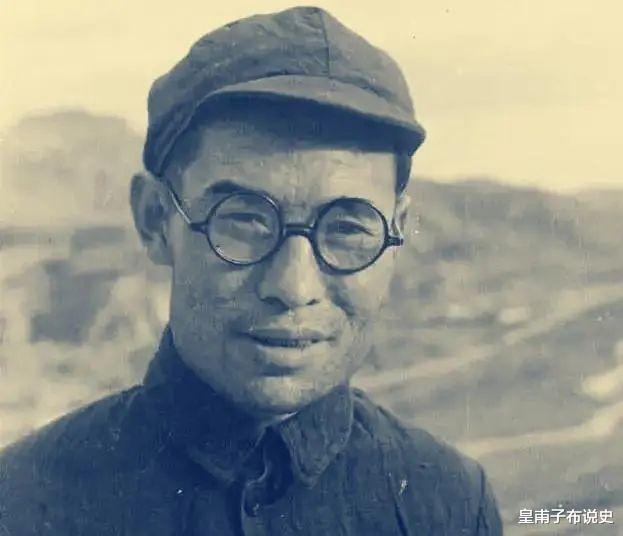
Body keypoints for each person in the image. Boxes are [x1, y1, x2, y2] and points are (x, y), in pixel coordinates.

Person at [0, 6, 503, 535]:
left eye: (347, 228)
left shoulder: (449, 504)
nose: (293, 286)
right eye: (244, 221)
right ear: (155, 219)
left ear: (397, 232)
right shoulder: (20, 502)